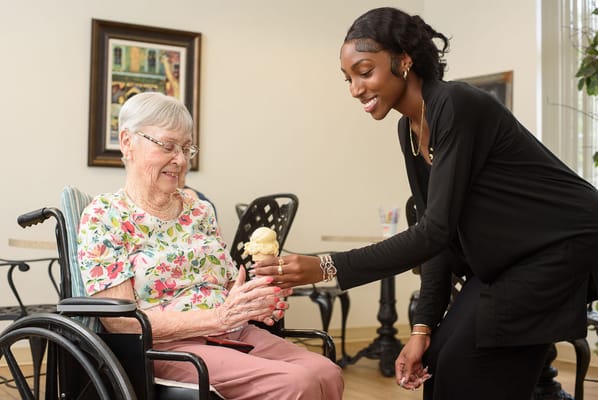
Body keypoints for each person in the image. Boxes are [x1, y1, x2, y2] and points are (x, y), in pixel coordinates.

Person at [253, 6, 598, 400]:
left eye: (365, 72)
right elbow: (437, 237)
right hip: (510, 259)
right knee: (437, 364)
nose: (355, 89)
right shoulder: (410, 129)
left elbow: (433, 233)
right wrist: (421, 329)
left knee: (469, 371)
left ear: (403, 60)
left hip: (565, 245)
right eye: (348, 79)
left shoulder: (456, 103)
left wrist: (326, 265)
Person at [77, 92, 343, 400]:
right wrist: (218, 318)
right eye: (167, 146)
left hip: (233, 333)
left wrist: (259, 299)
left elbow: (231, 287)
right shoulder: (105, 215)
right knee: (295, 382)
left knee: (326, 372)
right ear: (127, 142)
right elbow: (120, 321)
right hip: (166, 347)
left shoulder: (199, 211)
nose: (179, 159)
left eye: (186, 148)